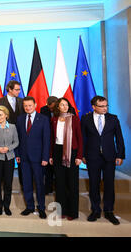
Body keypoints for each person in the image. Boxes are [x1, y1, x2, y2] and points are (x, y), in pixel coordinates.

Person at [81, 95, 125, 225]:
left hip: (109, 157)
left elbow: (119, 138)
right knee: (94, 184)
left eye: (106, 105)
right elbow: (83, 138)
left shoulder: (113, 119)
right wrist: (82, 155)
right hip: (92, 156)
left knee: (109, 184)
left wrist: (120, 155)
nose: (105, 108)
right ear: (93, 107)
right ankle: (95, 210)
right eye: (101, 106)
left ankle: (109, 211)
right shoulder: (85, 119)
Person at [16, 96, 50, 219]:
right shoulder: (20, 119)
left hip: (39, 158)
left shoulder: (44, 119)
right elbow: (18, 138)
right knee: (26, 183)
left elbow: (46, 140)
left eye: (30, 105)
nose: (28, 108)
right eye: (25, 106)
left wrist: (45, 157)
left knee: (40, 184)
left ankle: (41, 207)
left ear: (35, 105)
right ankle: (29, 206)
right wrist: (17, 154)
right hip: (24, 158)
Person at [49, 98, 83, 220]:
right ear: (58, 107)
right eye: (62, 105)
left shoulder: (74, 118)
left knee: (72, 183)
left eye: (66, 105)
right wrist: (51, 155)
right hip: (57, 152)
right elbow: (52, 139)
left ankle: (72, 212)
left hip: (72, 152)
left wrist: (79, 155)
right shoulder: (53, 119)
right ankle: (61, 211)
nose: (64, 107)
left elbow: (80, 138)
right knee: (60, 182)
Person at [0, 106, 19, 216]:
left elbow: (16, 142)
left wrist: (8, 148)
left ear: (6, 115)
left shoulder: (12, 127)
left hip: (9, 158)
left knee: (8, 184)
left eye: (1, 115)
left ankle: (7, 206)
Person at [41, 96, 59, 195]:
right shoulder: (43, 110)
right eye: (49, 108)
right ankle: (48, 188)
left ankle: (58, 187)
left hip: (59, 141)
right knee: (48, 168)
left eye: (53, 108)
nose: (51, 110)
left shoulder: (64, 109)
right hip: (48, 139)